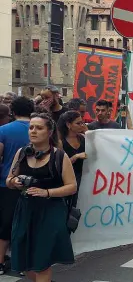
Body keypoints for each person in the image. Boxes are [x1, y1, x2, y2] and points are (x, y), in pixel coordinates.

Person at [6, 113, 77, 282]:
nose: (33, 131)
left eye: (39, 128)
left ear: (49, 131)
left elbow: (72, 187)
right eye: (31, 127)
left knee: (42, 261)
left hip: (50, 212)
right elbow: (8, 180)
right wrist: (14, 181)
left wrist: (46, 192)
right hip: (25, 211)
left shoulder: (59, 156)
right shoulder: (22, 153)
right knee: (24, 262)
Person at [0, 97, 34, 275]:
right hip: (34, 184)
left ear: (12, 111)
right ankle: (23, 264)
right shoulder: (40, 129)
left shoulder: (3, 130)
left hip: (7, 184)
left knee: (5, 225)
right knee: (26, 224)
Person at [57, 111, 87, 207]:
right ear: (68, 125)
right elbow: (59, 165)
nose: (81, 125)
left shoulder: (83, 138)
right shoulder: (60, 142)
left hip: (84, 179)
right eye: (78, 123)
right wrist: (76, 157)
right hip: (69, 181)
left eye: (82, 122)